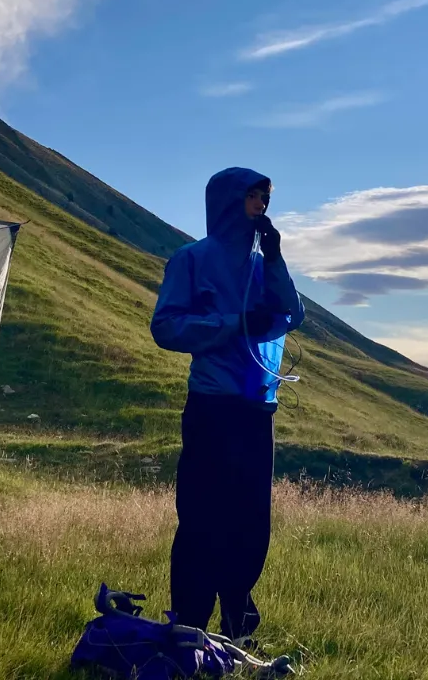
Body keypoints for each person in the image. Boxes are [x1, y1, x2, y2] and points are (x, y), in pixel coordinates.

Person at [151, 167, 305, 644]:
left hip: (258, 410)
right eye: (252, 197)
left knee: (251, 519)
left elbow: (292, 315)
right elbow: (166, 326)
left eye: (264, 198)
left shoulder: (264, 264)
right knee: (201, 516)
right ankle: (190, 625)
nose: (260, 206)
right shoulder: (191, 259)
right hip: (212, 407)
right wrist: (230, 323)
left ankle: (237, 623)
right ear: (227, 202)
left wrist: (276, 257)